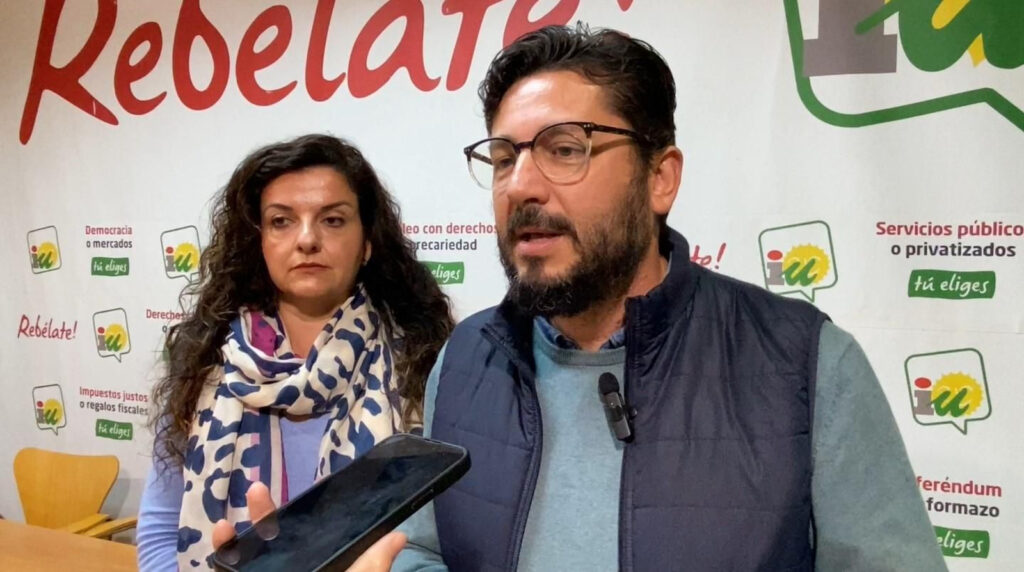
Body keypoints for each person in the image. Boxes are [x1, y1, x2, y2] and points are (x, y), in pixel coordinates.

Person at [389, 25, 948, 571]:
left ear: (660, 178)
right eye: (504, 159)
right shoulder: (465, 358)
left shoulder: (808, 363)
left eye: (564, 149)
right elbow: (423, 548)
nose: (520, 186)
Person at [137, 134, 453, 570]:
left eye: (333, 220)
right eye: (281, 221)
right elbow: (159, 532)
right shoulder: (205, 360)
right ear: (259, 241)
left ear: (367, 242)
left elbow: (447, 540)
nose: (307, 239)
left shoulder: (424, 361)